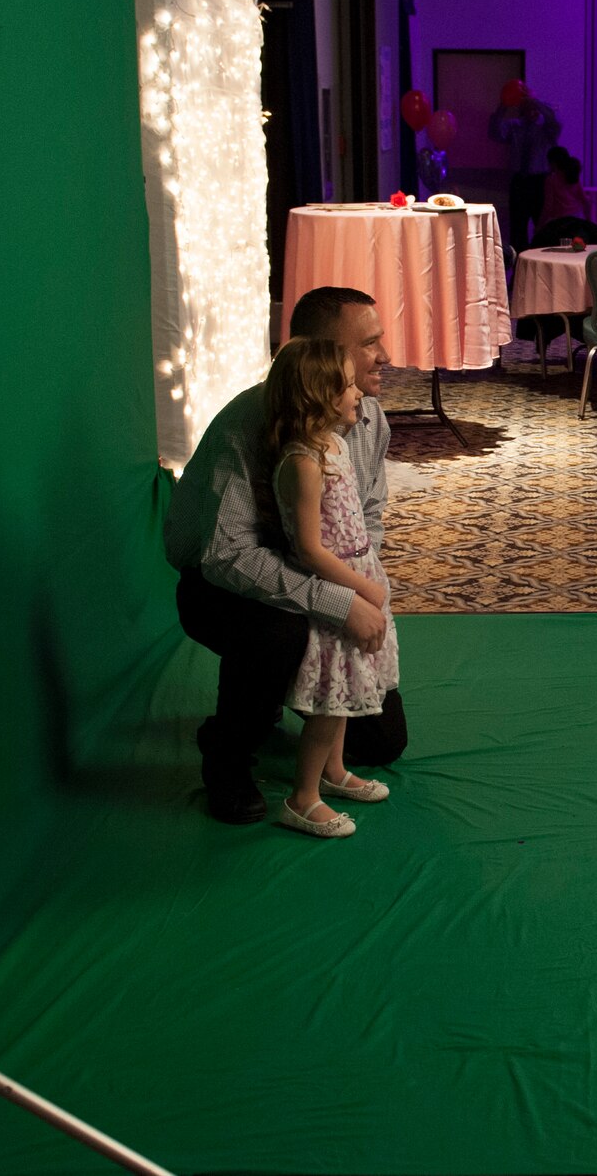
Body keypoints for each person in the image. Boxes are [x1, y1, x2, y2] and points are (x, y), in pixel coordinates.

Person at [165, 286, 410, 825]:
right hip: (221, 588)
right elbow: (224, 557)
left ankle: (295, 701)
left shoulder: (368, 419)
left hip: (316, 571)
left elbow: (366, 518)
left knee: (383, 742)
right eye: (368, 345)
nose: (385, 357)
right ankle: (228, 751)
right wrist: (337, 602)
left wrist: (361, 590)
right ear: (317, 355)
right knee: (277, 635)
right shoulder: (246, 423)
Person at [261, 337, 399, 838]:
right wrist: (360, 589)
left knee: (353, 687)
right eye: (345, 386)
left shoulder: (334, 444)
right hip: (335, 592)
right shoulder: (302, 462)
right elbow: (309, 549)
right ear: (318, 395)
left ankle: (334, 771)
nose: (357, 394)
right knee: (330, 699)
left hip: (357, 577)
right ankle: (302, 797)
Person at [488, 85, 562, 247]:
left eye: (532, 106)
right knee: (518, 227)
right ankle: (520, 265)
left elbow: (553, 120)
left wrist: (536, 102)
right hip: (519, 181)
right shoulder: (514, 126)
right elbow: (494, 131)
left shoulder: (546, 129)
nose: (529, 110)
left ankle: (543, 262)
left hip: (540, 182)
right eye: (526, 105)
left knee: (543, 226)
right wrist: (504, 105)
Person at [540, 145, 588, 228]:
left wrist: (539, 224)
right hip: (576, 218)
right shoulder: (573, 176)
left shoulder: (551, 180)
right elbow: (584, 199)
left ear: (553, 163)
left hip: (559, 221)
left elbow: (548, 206)